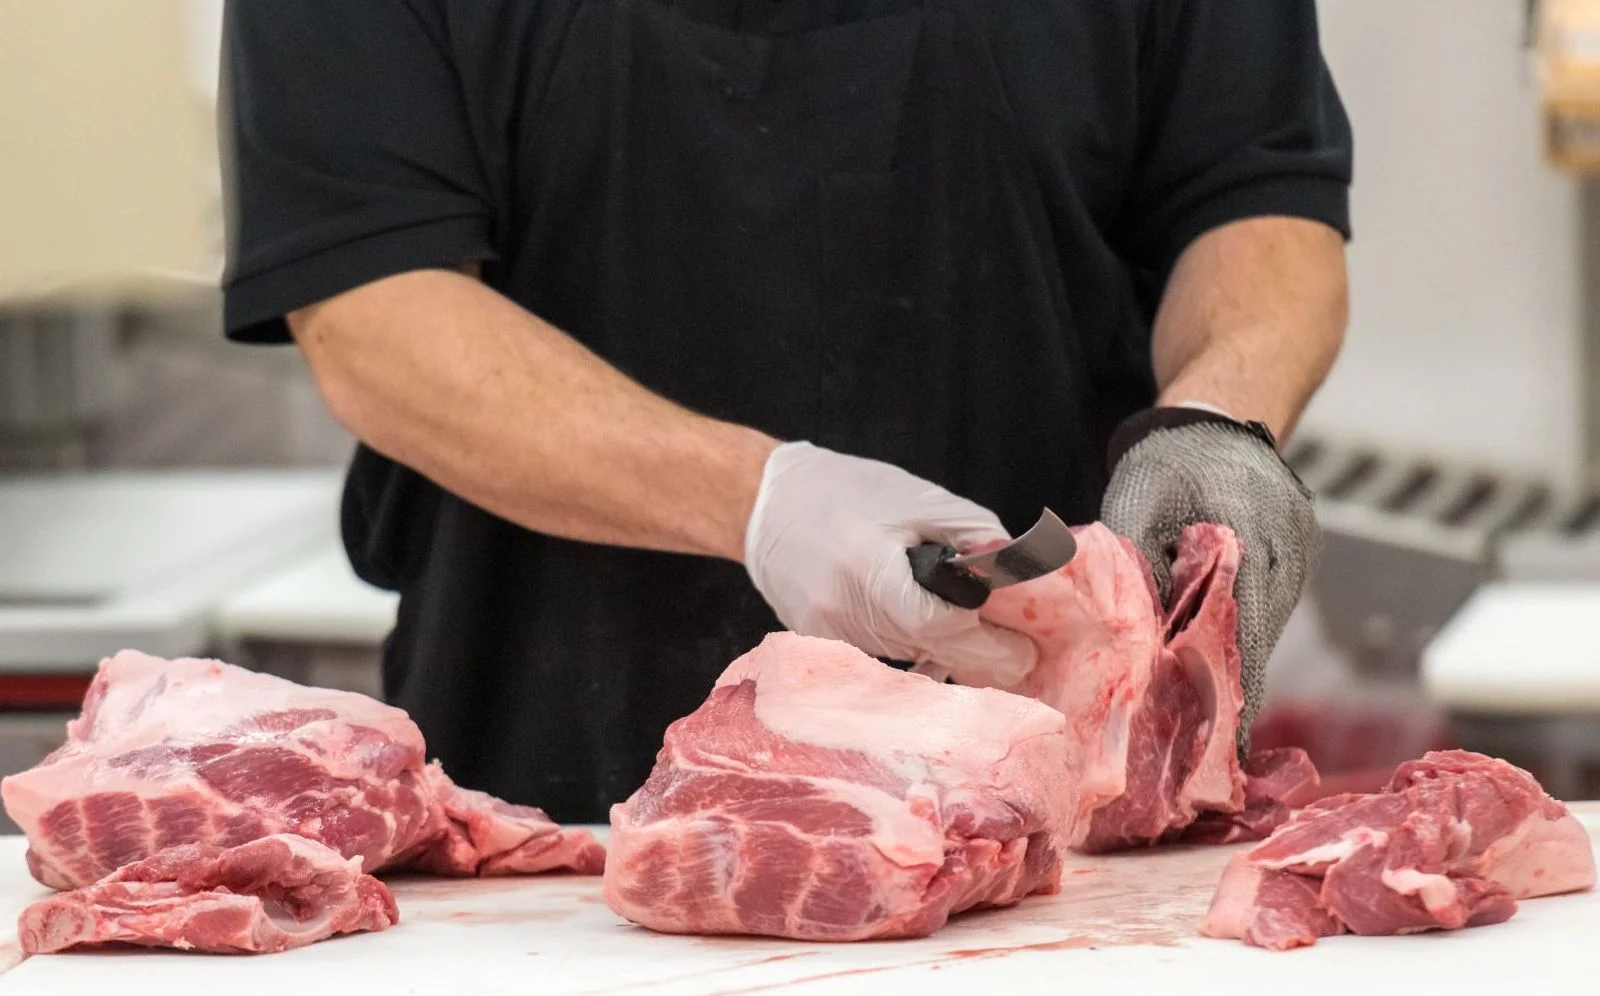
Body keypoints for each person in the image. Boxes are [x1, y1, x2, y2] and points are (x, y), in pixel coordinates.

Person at [220, 0, 1352, 823]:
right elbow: (374, 317)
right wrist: (765, 500)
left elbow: (1252, 200)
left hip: (1054, 800)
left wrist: (1217, 417)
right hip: (546, 833)